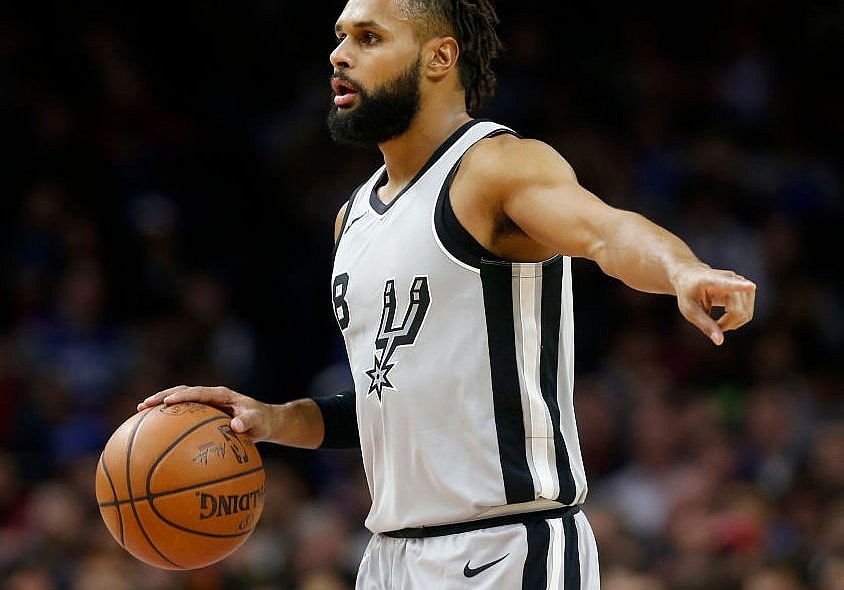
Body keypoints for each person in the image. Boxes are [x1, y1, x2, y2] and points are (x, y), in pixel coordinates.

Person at [138, 0, 756, 587]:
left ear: (440, 57)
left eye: (369, 38)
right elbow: (387, 404)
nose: (339, 54)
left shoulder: (495, 168)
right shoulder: (353, 217)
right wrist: (271, 420)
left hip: (505, 548)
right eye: (340, 36)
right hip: (390, 558)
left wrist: (681, 270)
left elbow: (606, 231)